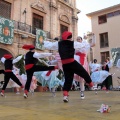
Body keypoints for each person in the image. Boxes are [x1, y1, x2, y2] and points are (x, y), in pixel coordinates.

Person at [43, 31, 93, 102]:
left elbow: (50, 45)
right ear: (71, 37)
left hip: (65, 65)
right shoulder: (73, 43)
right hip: (72, 62)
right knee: (83, 72)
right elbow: (82, 45)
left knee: (68, 79)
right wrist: (85, 40)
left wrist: (44, 42)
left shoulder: (58, 43)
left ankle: (65, 95)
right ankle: (91, 84)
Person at [74, 35, 95, 99]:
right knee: (80, 79)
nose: (78, 40)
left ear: (81, 40)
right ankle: (82, 92)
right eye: (77, 39)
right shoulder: (74, 47)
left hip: (83, 62)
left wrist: (94, 37)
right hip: (77, 62)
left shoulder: (84, 45)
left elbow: (93, 44)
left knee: (83, 77)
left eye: (79, 39)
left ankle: (88, 87)